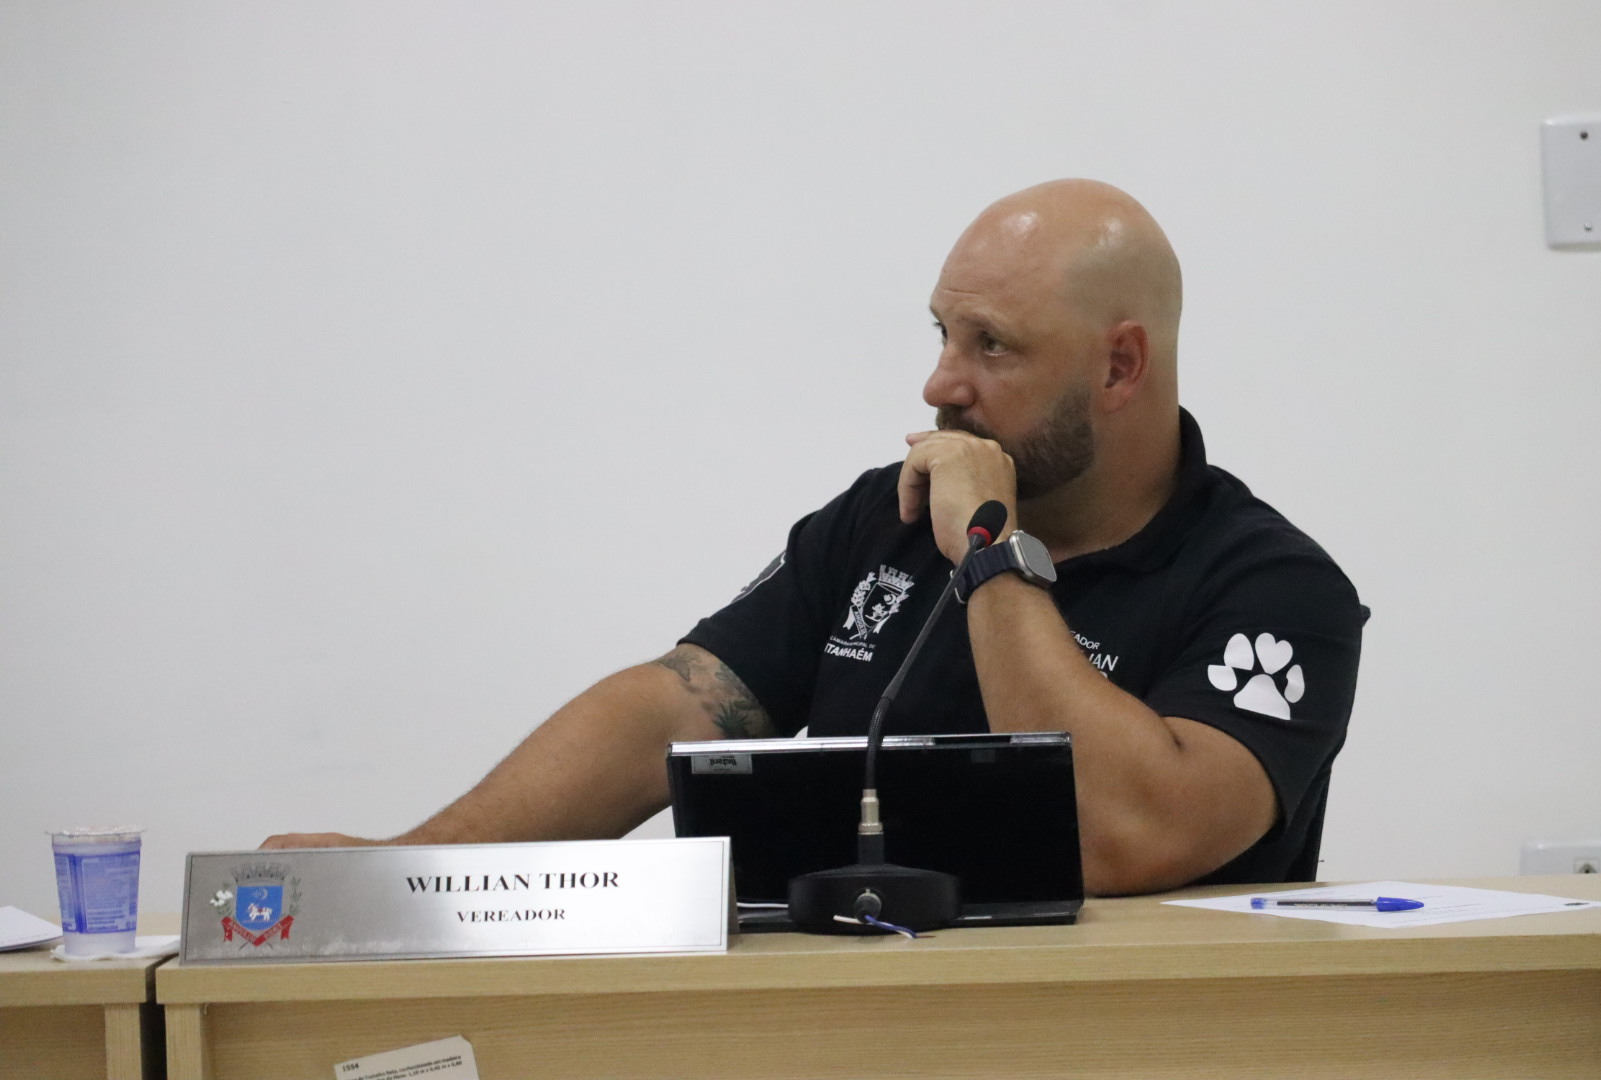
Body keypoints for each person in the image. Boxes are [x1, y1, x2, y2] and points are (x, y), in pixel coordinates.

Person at [264, 179, 1366, 896]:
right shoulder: (884, 519)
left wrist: (990, 553)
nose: (941, 383)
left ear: (1120, 367)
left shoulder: (1275, 591)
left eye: (992, 345)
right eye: (942, 333)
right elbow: (677, 705)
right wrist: (415, 874)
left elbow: (1128, 835)